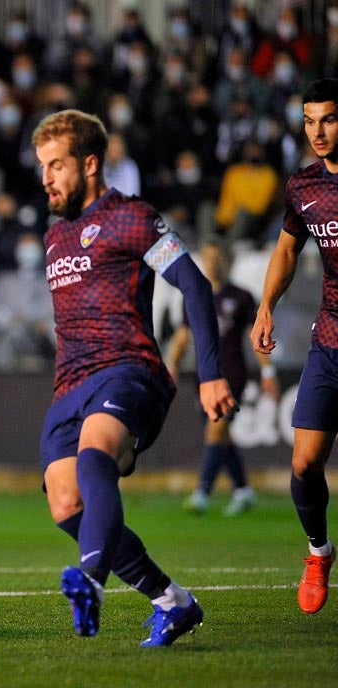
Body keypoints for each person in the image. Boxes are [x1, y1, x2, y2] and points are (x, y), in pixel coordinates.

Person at [32, 110, 236, 646]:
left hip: (129, 369)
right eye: (42, 166)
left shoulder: (133, 218)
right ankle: (173, 602)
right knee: (65, 503)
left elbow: (195, 286)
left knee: (96, 453)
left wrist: (209, 375)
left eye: (56, 165)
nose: (46, 178)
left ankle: (92, 583)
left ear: (91, 163)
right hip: (68, 385)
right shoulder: (54, 236)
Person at [250, 78, 338, 615]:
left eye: (328, 119)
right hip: (330, 339)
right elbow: (286, 252)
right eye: (309, 121)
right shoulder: (303, 186)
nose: (318, 132)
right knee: (304, 464)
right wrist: (266, 306)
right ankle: (318, 551)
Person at [168, 242, 279, 516]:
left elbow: (257, 336)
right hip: (203, 376)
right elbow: (183, 334)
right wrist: (171, 364)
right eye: (207, 257)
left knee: (216, 429)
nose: (212, 262)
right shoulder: (194, 295)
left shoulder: (241, 296)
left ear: (226, 260)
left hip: (232, 374)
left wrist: (268, 372)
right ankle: (243, 490)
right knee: (223, 436)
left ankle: (202, 493)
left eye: (217, 257)